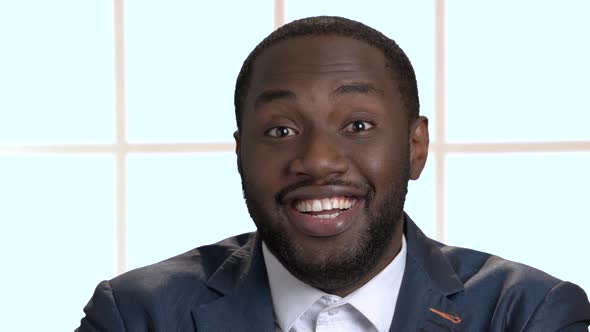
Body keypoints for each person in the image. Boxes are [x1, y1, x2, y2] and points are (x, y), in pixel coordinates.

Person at [77, 16, 590, 331]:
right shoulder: (136, 316)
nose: (318, 161)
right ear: (240, 155)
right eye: (280, 131)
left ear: (415, 147)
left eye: (359, 125)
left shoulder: (526, 315)